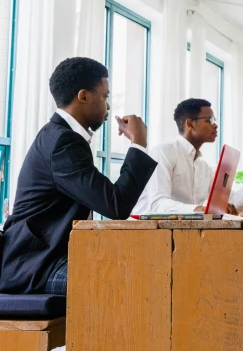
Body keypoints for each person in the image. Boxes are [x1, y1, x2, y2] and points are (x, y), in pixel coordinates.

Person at [0, 57, 157, 295]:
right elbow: (116, 204)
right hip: (36, 265)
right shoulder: (63, 142)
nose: (109, 106)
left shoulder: (62, 136)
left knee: (137, 267)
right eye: (105, 97)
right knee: (123, 280)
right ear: (83, 96)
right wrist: (139, 143)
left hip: (49, 257)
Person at [134, 98, 243, 216]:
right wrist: (199, 209)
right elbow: (157, 205)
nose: (215, 125)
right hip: (144, 234)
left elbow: (234, 205)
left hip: (179, 233)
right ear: (190, 124)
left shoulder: (203, 167)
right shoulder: (163, 152)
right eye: (209, 120)